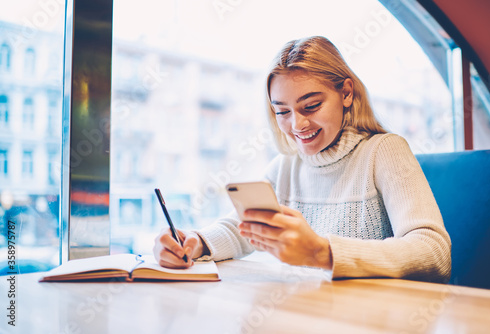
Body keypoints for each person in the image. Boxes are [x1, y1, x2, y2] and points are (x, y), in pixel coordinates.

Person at [153, 36, 451, 283]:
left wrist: (322, 253)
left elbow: (433, 250)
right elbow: (240, 229)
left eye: (310, 106)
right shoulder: (286, 168)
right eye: (282, 111)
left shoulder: (384, 151)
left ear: (346, 93)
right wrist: (194, 242)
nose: (296, 125)